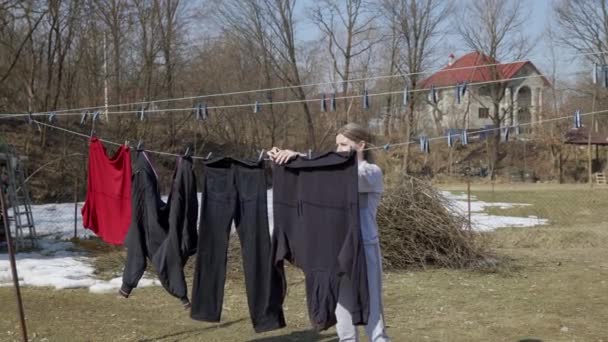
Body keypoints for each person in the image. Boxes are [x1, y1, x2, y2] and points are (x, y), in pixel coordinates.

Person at [268, 123, 390, 342]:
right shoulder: (335, 171)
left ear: (361, 145)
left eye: (344, 144)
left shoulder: (371, 173)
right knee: (342, 308)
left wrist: (300, 158)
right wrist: (292, 161)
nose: (339, 150)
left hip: (366, 246)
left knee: (371, 307)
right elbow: (322, 178)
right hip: (338, 245)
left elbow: (341, 179)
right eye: (337, 145)